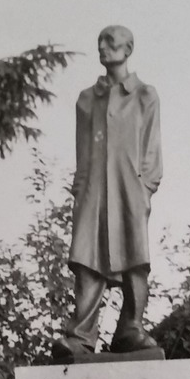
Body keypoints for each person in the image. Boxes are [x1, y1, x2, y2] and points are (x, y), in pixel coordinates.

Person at [54, 24, 162, 360]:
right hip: (93, 194)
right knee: (86, 260)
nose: (102, 47)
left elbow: (152, 153)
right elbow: (81, 153)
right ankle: (81, 336)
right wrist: (80, 192)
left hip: (129, 192)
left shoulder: (145, 96)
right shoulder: (87, 99)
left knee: (134, 262)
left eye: (110, 41)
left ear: (128, 49)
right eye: (99, 41)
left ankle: (131, 328)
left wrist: (143, 189)